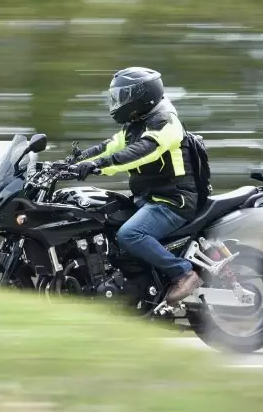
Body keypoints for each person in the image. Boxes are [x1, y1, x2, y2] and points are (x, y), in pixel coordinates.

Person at [73, 67, 202, 304]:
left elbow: (143, 151)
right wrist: (71, 163)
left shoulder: (165, 122)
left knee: (130, 234)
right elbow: (108, 147)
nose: (117, 102)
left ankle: (183, 273)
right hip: (147, 198)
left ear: (141, 96)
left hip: (172, 201)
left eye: (122, 96)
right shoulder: (135, 125)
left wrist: (98, 165)